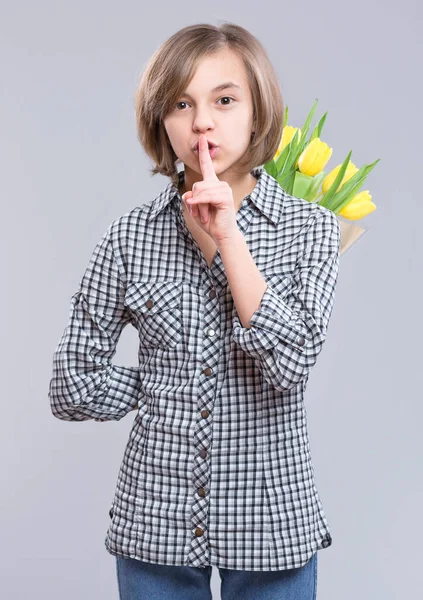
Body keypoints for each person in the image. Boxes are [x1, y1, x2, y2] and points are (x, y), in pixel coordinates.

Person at [48, 21, 341, 600]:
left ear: (258, 114)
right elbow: (71, 385)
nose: (202, 121)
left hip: (271, 522)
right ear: (162, 120)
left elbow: (291, 368)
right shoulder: (130, 238)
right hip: (154, 524)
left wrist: (230, 239)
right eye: (181, 103)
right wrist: (161, 386)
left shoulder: (311, 230)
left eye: (224, 100)